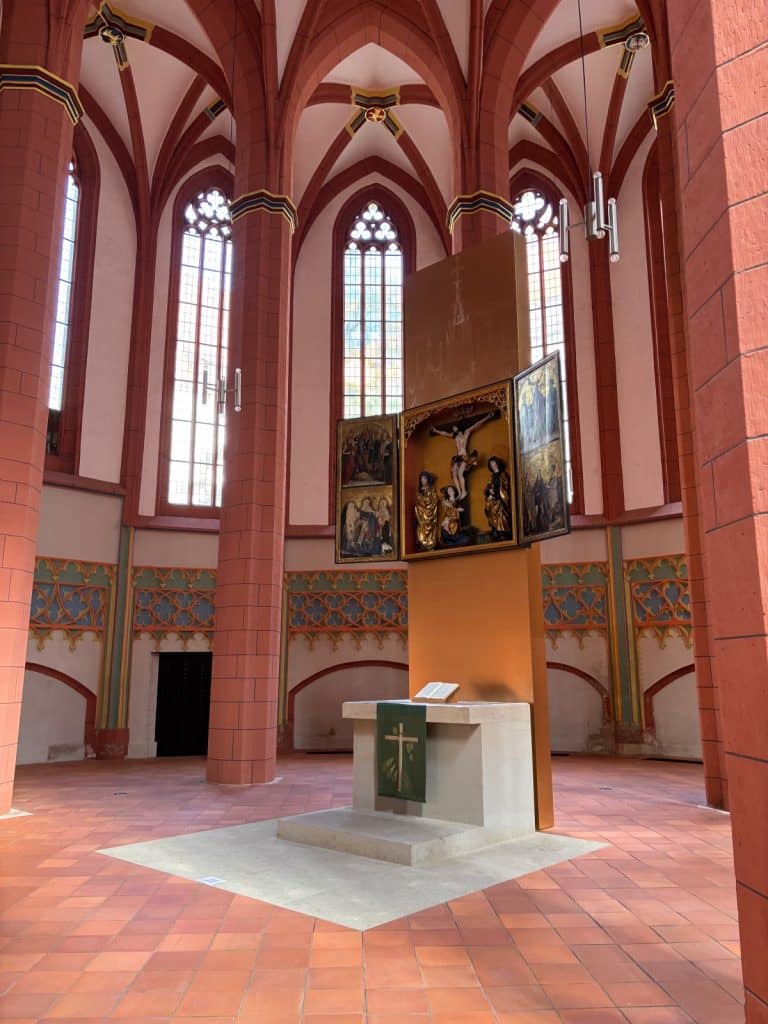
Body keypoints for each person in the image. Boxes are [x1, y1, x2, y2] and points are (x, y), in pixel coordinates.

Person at [430, 409, 500, 499]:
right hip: (457, 457)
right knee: (454, 475)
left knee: (460, 473)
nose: (453, 428)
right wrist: (436, 431)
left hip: (464, 456)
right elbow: (445, 433)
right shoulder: (454, 436)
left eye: (454, 427)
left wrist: (487, 417)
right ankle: (459, 493)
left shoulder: (466, 432)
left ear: (459, 427)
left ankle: (464, 492)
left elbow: (476, 425)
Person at [484, 456, 513, 541]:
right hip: (492, 500)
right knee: (492, 515)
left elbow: (505, 487)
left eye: (494, 463)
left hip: (500, 500)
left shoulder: (502, 474)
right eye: (491, 464)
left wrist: (497, 493)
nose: (493, 465)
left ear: (497, 464)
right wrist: (489, 492)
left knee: (501, 516)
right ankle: (495, 531)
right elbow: (487, 487)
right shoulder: (491, 477)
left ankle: (503, 533)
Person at [414, 471, 439, 551]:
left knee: (431, 527)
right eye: (421, 479)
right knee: (421, 527)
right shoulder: (419, 491)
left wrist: (428, 503)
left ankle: (431, 545)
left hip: (430, 512)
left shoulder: (431, 489)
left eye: (424, 478)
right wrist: (421, 503)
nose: (423, 480)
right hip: (422, 513)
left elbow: (435, 500)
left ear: (428, 479)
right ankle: (423, 545)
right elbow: (418, 502)